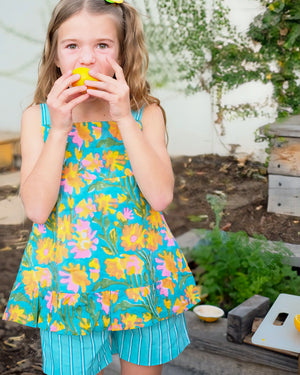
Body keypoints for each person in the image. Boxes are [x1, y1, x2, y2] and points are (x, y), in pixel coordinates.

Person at [3, 1, 200, 374]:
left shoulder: (146, 113)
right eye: (72, 45)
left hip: (141, 278)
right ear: (55, 55)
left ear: (123, 54)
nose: (86, 59)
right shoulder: (39, 119)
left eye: (103, 46)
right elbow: (37, 210)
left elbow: (160, 196)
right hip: (68, 283)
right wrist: (60, 129)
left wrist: (124, 117)